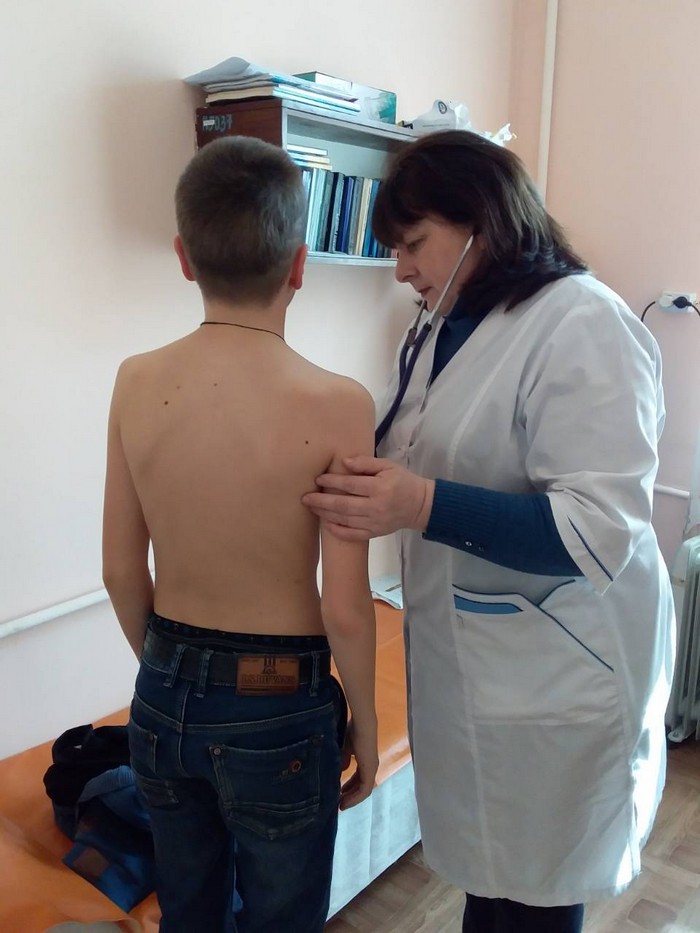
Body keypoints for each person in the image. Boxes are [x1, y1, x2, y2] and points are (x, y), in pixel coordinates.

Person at [302, 129, 675, 933]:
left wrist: (421, 504)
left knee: (539, 889)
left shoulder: (582, 323)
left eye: (412, 244)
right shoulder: (441, 323)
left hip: (559, 663)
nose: (400, 269)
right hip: (474, 656)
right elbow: (408, 442)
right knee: (490, 876)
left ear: (482, 221)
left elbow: (597, 529)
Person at [102, 135, 378, 933]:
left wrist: (170, 676)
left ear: (184, 258)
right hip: (280, 705)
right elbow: (346, 605)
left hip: (162, 690)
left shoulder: (135, 380)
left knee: (188, 913)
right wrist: (365, 723)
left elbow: (120, 569)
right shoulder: (339, 403)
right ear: (300, 265)